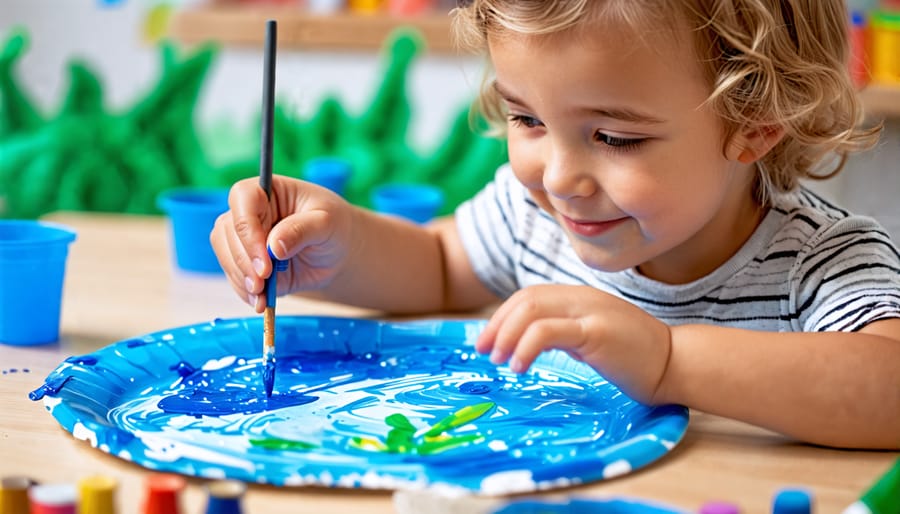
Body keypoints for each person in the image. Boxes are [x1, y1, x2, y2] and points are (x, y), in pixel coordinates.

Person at [210, 0, 900, 450]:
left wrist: (667, 361)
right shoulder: (531, 214)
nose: (558, 177)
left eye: (614, 137)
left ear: (754, 123)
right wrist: (337, 245)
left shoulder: (822, 263)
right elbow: (440, 264)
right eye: (528, 120)